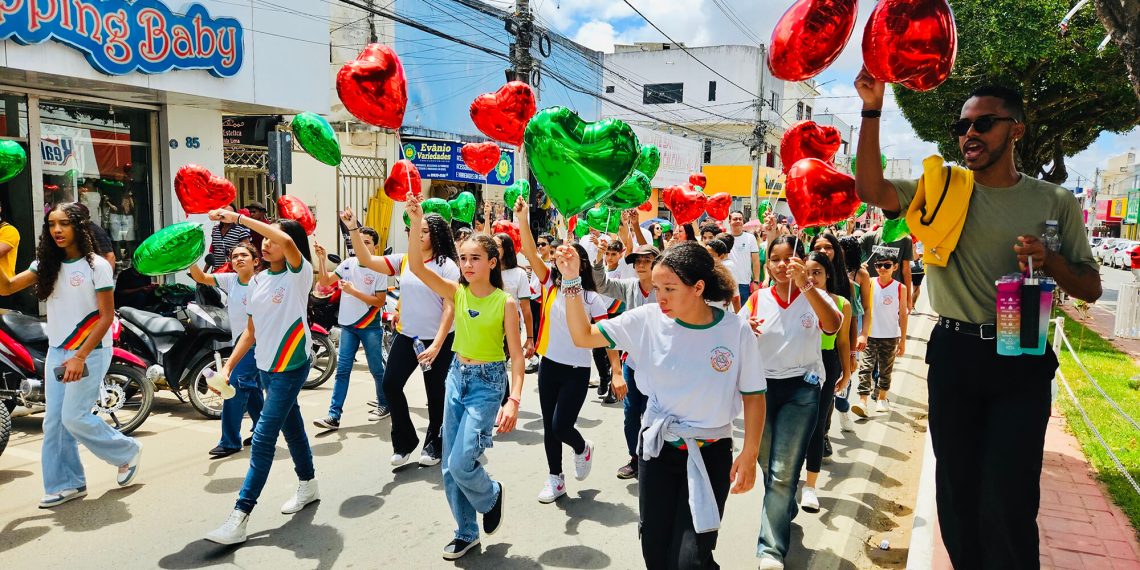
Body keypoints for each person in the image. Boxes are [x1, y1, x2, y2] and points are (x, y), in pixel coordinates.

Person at [853, 73, 1101, 568]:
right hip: (955, 353)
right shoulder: (941, 187)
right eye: (962, 125)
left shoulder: (1054, 201)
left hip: (1022, 353)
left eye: (984, 123)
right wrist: (872, 109)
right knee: (957, 494)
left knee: (1009, 498)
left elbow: (1090, 287)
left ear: (1016, 130)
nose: (969, 133)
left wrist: (1049, 260)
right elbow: (870, 189)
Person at [562, 241, 766, 569]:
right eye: (657, 288)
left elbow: (754, 395)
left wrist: (750, 453)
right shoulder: (646, 320)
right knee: (655, 552)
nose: (661, 298)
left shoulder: (735, 330)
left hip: (710, 454)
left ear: (698, 288)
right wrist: (572, 280)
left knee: (691, 559)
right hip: (658, 451)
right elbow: (583, 336)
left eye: (670, 289)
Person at [402, 193, 525, 560]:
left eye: (475, 258)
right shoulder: (457, 292)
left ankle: (491, 494)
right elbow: (416, 266)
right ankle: (466, 532)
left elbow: (517, 357)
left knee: (460, 462)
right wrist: (416, 221)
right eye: (464, 258)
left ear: (492, 262)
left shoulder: (506, 303)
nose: (468, 265)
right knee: (449, 467)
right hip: (456, 377)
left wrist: (513, 401)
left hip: (487, 385)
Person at [0, 202, 142, 508]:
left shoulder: (96, 266)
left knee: (74, 417)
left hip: (90, 350)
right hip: (58, 350)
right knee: (53, 422)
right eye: (52, 224)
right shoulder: (46, 264)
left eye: (64, 223)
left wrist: (79, 356)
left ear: (79, 227)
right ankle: (67, 484)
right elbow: (7, 287)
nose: (57, 230)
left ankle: (125, 451)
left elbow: (106, 316)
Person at [203, 211, 318, 545]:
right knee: (291, 426)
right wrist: (228, 367)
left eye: (273, 239)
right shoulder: (257, 280)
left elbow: (286, 240)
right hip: (266, 365)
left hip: (292, 364)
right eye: (264, 239)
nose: (266, 244)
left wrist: (237, 217)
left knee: (264, 437)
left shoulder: (299, 273)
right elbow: (250, 332)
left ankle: (239, 516)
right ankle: (309, 483)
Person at [742, 236, 842, 568]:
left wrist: (806, 286)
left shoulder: (816, 295)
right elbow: (735, 331)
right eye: (775, 259)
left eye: (789, 258)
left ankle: (770, 550)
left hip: (802, 389)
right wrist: (744, 327)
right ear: (767, 264)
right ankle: (784, 504)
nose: (783, 265)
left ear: (800, 260)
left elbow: (833, 325)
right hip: (760, 391)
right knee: (767, 464)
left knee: (783, 472)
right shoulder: (757, 298)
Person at [516, 196, 616, 504]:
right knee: (550, 427)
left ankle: (582, 447)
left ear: (581, 265)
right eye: (560, 256)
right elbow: (529, 251)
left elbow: (608, 336)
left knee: (561, 426)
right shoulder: (549, 284)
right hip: (549, 365)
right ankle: (555, 478)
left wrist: (616, 372)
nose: (564, 260)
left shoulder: (591, 298)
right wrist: (522, 217)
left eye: (572, 258)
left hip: (577, 370)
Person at [344, 206, 458, 467]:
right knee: (391, 385)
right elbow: (367, 260)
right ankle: (404, 441)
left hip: (438, 341)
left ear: (436, 234)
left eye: (424, 231)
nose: (417, 234)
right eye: (413, 230)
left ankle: (435, 443)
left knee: (436, 395)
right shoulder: (404, 261)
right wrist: (353, 229)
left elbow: (450, 307)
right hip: (408, 337)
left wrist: (437, 345)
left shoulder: (447, 266)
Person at [189, 241, 264, 458]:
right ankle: (263, 430)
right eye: (235, 256)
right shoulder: (230, 280)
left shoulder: (262, 282)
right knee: (251, 388)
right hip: (239, 342)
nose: (239, 259)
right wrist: (189, 258)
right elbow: (201, 278)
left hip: (258, 342)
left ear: (255, 261)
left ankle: (230, 441)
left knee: (234, 386)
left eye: (244, 255)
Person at [312, 227, 391, 429]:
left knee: (376, 369)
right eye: (359, 241)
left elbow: (379, 301)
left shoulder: (379, 267)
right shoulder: (348, 263)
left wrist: (353, 291)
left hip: (369, 327)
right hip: (348, 327)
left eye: (367, 242)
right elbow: (325, 281)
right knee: (342, 371)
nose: (362, 245)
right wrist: (321, 260)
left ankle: (384, 403)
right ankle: (334, 415)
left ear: (375, 247)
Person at [591, 239, 657, 479]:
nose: (641, 265)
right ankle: (635, 458)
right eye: (637, 261)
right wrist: (599, 258)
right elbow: (601, 284)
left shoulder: (668, 289)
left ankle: (653, 459)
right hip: (632, 362)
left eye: (647, 260)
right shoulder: (630, 287)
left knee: (653, 414)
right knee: (631, 414)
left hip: (659, 365)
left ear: (657, 264)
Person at [798, 250, 853, 514]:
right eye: (807, 272)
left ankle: (810, 486)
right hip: (797, 363)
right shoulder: (796, 300)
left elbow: (842, 341)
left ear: (828, 274)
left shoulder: (842, 304)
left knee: (818, 424)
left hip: (826, 363)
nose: (811, 278)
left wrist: (847, 371)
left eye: (817, 272)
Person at [727, 210, 762, 302]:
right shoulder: (725, 237)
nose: (738, 221)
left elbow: (755, 261)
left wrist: (756, 281)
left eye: (740, 219)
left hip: (744, 284)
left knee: (743, 310)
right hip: (728, 283)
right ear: (729, 222)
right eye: (735, 219)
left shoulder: (750, 238)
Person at [210, 205, 252, 271]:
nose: (226, 216)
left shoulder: (241, 230)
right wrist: (205, 271)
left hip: (234, 271)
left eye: (229, 213)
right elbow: (213, 251)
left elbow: (248, 251)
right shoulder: (215, 229)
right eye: (224, 213)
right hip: (217, 271)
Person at [910, 239, 925, 312]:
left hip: (918, 270)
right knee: (915, 288)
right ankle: (911, 306)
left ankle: (911, 306)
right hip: (913, 268)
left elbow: (917, 257)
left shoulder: (922, 240)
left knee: (915, 288)